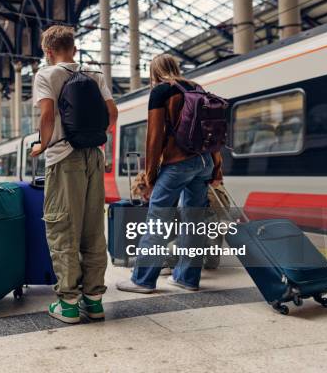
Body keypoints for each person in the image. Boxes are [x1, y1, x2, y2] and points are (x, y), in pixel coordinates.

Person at [31, 25, 118, 324]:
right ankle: (94, 301)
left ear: (48, 51)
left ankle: (68, 303)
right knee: (94, 229)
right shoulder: (94, 75)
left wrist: (41, 146)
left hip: (63, 157)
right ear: (75, 49)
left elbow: (46, 114)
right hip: (94, 155)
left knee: (63, 227)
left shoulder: (46, 74)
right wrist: (92, 136)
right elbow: (113, 114)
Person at [117, 54, 223, 294]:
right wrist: (217, 167)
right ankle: (187, 278)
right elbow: (212, 133)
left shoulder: (161, 91)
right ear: (175, 67)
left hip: (177, 163)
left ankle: (142, 279)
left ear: (154, 72)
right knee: (194, 221)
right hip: (204, 162)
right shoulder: (197, 88)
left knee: (158, 220)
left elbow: (154, 138)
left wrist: (150, 175)